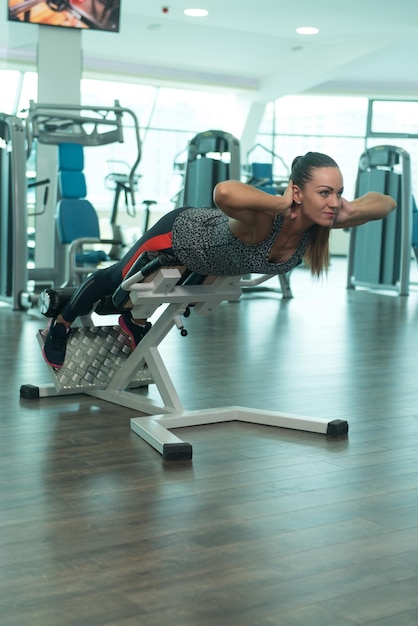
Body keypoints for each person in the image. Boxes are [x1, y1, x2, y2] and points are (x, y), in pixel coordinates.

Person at [42, 151, 396, 369]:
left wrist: (347, 207)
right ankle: (62, 322)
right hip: (181, 234)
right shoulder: (265, 220)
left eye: (338, 192)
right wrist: (276, 203)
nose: (333, 201)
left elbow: (386, 203)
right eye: (324, 192)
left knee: (153, 294)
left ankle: (131, 322)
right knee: (119, 276)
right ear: (297, 192)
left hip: (209, 262)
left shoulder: (325, 218)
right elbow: (223, 192)